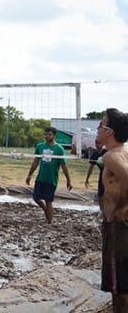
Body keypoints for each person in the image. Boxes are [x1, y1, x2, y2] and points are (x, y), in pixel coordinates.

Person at [96, 108, 128, 312]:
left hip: (119, 227)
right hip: (118, 227)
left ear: (109, 131)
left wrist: (120, 209)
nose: (97, 129)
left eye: (100, 125)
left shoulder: (111, 157)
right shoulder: (123, 152)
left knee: (120, 289)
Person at [25, 127, 72, 224]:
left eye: (49, 134)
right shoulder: (40, 146)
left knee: (48, 200)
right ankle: (47, 211)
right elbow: (36, 161)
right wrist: (29, 174)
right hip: (41, 177)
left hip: (51, 179)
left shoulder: (59, 149)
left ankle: (49, 221)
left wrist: (69, 180)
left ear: (54, 136)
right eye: (46, 134)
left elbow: (64, 165)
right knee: (36, 198)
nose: (47, 136)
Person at [84, 138, 106, 202]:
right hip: (102, 174)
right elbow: (91, 168)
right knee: (100, 193)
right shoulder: (94, 155)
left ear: (103, 144)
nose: (98, 145)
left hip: (110, 173)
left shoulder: (106, 152)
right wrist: (87, 179)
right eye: (97, 143)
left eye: (100, 143)